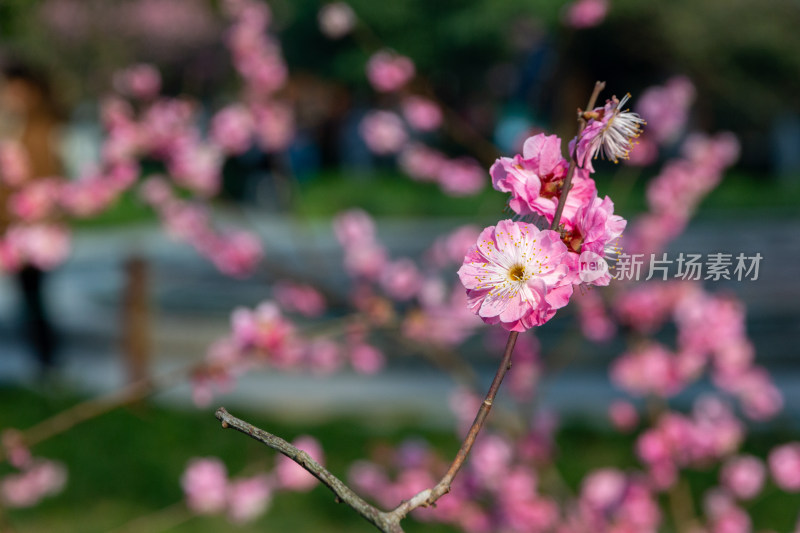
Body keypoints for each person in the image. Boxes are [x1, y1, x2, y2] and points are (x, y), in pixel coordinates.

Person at [0, 62, 63, 375]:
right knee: (30, 297)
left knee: (33, 297)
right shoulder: (16, 126)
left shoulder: (39, 131)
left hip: (32, 232)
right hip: (16, 230)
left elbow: (46, 180)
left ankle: (46, 361)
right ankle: (44, 358)